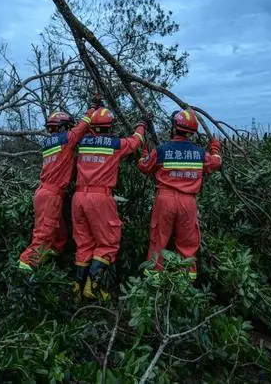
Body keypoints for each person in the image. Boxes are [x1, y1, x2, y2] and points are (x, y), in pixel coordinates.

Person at [71, 107, 148, 302]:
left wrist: (92, 108)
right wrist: (141, 124)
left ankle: (76, 291)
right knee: (108, 243)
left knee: (84, 244)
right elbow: (136, 141)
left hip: (78, 198)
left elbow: (85, 130)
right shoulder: (115, 144)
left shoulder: (82, 141)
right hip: (100, 198)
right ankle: (92, 286)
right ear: (110, 126)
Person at [137, 108, 222, 283]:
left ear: (174, 127)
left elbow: (144, 167)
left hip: (165, 200)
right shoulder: (199, 153)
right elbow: (216, 163)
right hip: (188, 203)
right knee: (187, 245)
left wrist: (143, 154)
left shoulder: (161, 151)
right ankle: (185, 287)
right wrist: (214, 148)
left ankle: (153, 286)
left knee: (158, 241)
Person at [17, 97, 101, 271]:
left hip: (44, 192)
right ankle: (24, 270)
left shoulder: (49, 143)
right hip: (51, 195)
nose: (70, 130)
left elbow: (67, 161)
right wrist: (93, 107)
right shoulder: (66, 140)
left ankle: (52, 261)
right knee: (44, 234)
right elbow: (82, 126)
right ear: (62, 127)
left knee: (59, 234)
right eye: (68, 127)